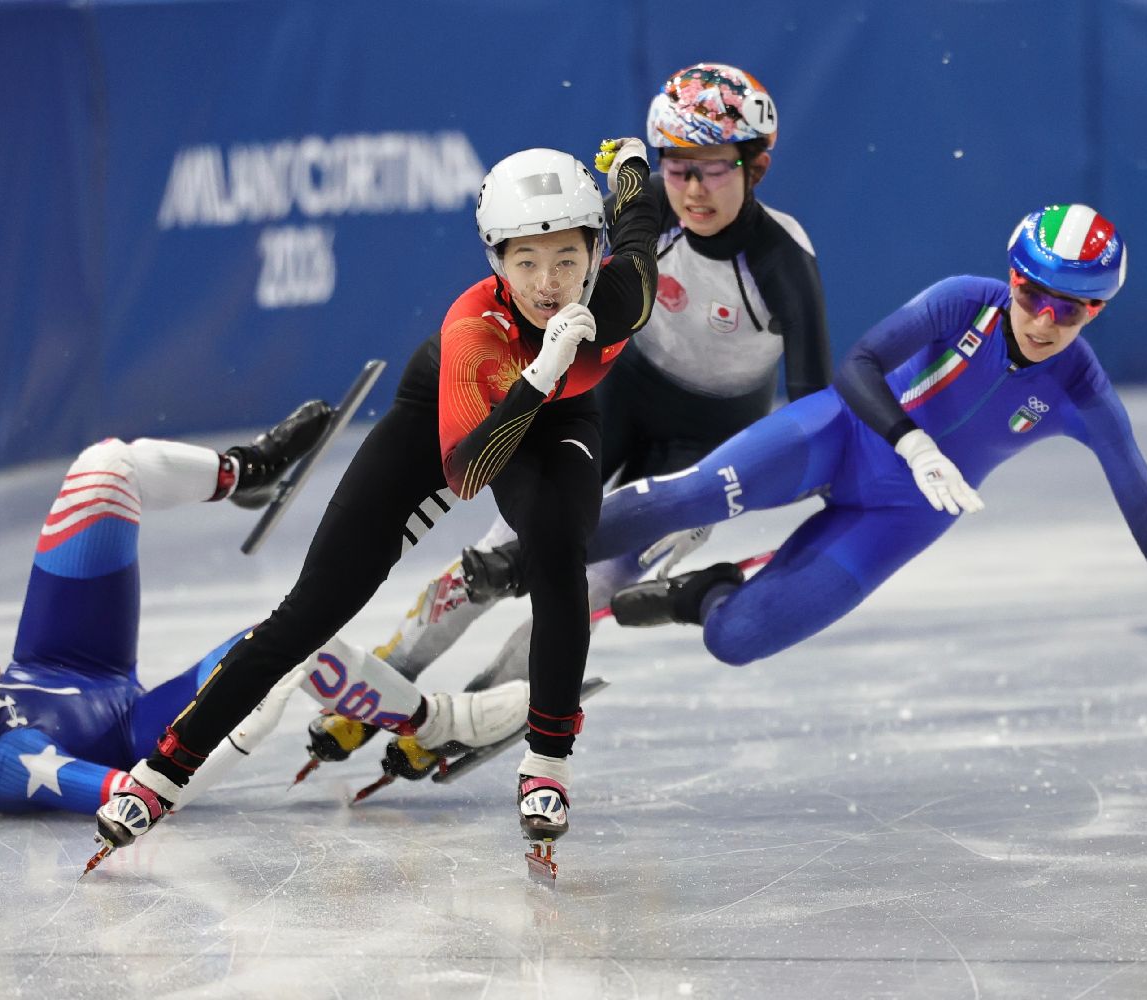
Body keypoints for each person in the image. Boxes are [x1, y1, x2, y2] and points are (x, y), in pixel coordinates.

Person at [96, 140, 660, 858]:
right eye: (526, 262)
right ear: (496, 262)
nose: (548, 284)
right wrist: (541, 371)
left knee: (557, 551)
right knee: (312, 609)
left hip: (557, 421)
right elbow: (466, 474)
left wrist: (630, 165)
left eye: (567, 261)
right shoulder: (473, 330)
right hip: (452, 421)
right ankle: (163, 773)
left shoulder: (622, 295)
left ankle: (547, 761)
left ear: (594, 254)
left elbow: (638, 217)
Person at [476, 204, 1147, 700]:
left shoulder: (1082, 390)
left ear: (1096, 313)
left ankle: (700, 593)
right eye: (1031, 294)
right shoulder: (965, 301)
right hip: (845, 433)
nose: (1043, 321)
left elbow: (1144, 502)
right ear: (1011, 279)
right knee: (687, 496)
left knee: (736, 640)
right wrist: (911, 441)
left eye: (1070, 311)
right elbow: (860, 366)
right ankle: (519, 561)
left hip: (900, 515)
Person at [308, 62, 831, 782]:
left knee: (581, 592)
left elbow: (812, 406)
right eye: (677, 167)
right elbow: (554, 275)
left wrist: (817, 486)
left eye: (713, 169)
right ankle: (384, 683)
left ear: (756, 166)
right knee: (492, 562)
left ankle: (479, 709)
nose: (693, 190)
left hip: (704, 452)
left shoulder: (781, 261)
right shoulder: (648, 208)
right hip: (611, 403)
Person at [0, 405, 528, 817]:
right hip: (133, 728)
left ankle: (246, 473)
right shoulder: (4, 761)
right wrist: (237, 735)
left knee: (103, 470)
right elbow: (136, 796)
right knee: (289, 642)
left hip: (62, 659)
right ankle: (439, 722)